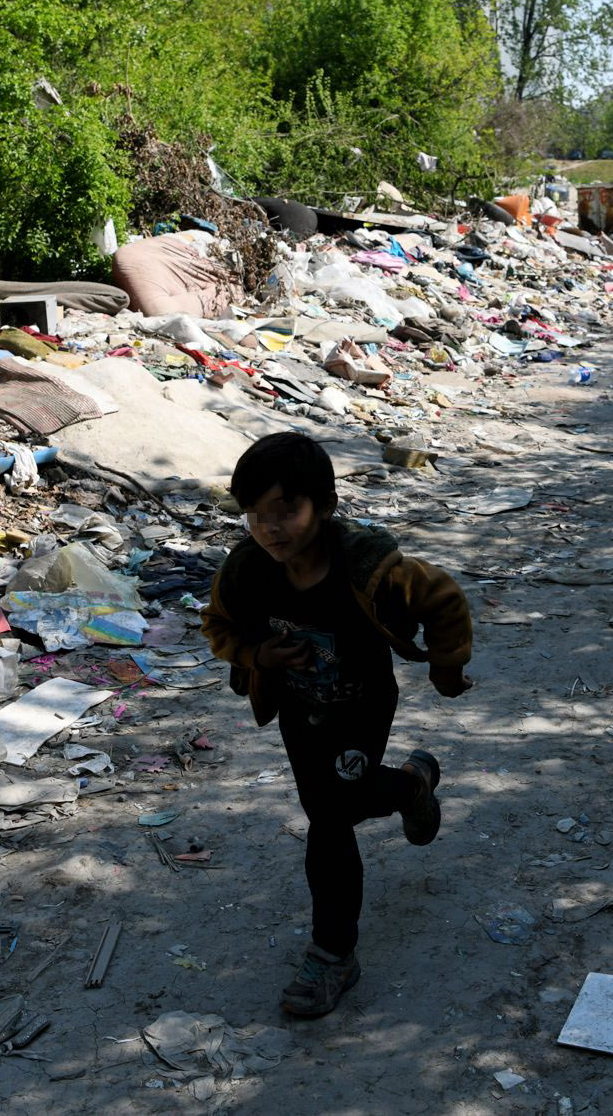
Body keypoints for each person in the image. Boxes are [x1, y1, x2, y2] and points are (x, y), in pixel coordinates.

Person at [203, 432, 474, 1018]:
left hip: (362, 704)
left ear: (323, 506)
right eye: (257, 516)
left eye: (286, 511)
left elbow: (444, 599)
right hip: (299, 709)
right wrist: (259, 657)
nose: (271, 528)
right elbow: (220, 625)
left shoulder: (367, 566)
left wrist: (446, 669)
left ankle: (333, 955)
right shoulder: (249, 571)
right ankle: (410, 786)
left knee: (329, 816)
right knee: (333, 802)